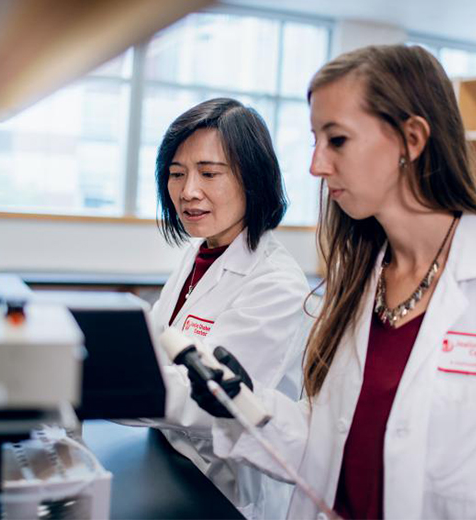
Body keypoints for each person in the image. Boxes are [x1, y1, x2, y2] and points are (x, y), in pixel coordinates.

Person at [192, 46, 476, 519]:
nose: (316, 165)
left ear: (411, 139)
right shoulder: (359, 277)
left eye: (336, 140)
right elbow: (335, 437)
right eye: (315, 140)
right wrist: (243, 406)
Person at [142, 97, 310, 519]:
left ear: (252, 179)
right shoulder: (201, 253)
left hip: (226, 492)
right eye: (176, 174)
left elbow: (211, 399)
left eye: (209, 173)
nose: (187, 191)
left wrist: (110, 388)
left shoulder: (278, 284)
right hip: (175, 462)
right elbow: (162, 341)